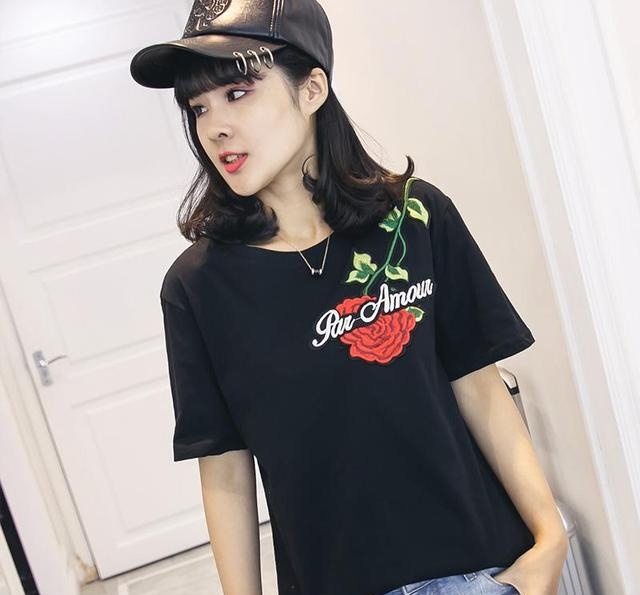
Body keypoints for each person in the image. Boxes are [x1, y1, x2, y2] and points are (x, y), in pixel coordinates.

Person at [129, 1, 568, 594]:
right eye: (198, 106)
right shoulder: (197, 287)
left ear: (312, 89)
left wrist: (549, 536)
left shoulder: (415, 217)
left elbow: (478, 383)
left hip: (482, 570)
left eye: (238, 92)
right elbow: (225, 468)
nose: (215, 127)